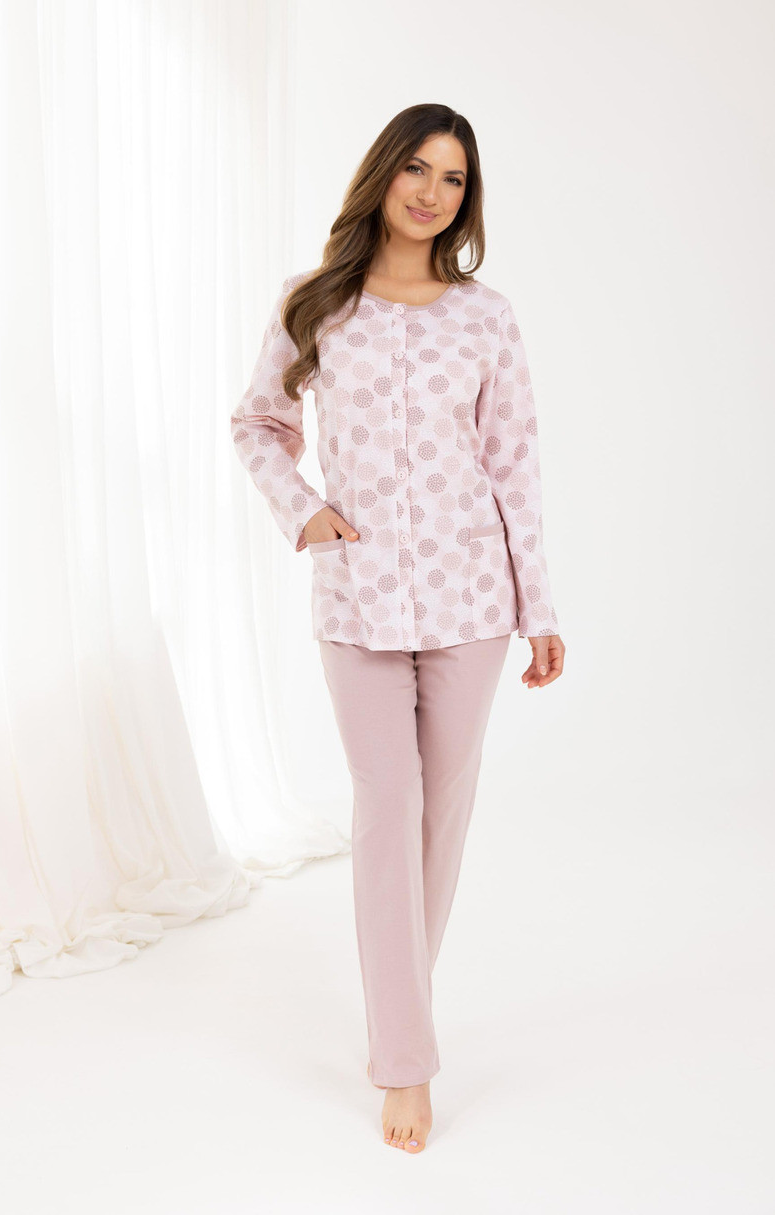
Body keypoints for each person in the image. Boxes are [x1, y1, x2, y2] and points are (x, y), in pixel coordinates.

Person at [231, 102, 566, 1154]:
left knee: (440, 816)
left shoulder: (486, 318)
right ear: (383, 172)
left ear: (469, 198)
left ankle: (396, 1001)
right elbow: (258, 424)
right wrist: (303, 512)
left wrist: (540, 607)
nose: (431, 192)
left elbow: (514, 462)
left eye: (453, 178)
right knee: (387, 806)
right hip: (358, 598)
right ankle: (404, 1061)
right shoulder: (315, 303)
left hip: (474, 604)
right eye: (416, 168)